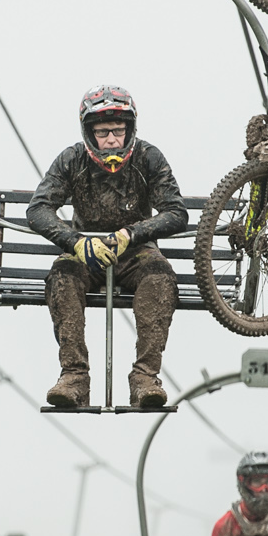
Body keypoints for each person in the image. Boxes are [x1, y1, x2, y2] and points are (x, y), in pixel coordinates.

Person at [27, 85, 187, 409]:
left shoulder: (148, 157)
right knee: (62, 277)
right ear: (90, 133)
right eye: (103, 132)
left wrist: (133, 233)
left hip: (135, 251)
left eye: (118, 130)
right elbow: (38, 208)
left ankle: (145, 378)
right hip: (85, 250)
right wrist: (75, 242)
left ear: (130, 129)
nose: (112, 139)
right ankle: (74, 377)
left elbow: (175, 211)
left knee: (160, 277)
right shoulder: (72, 159)